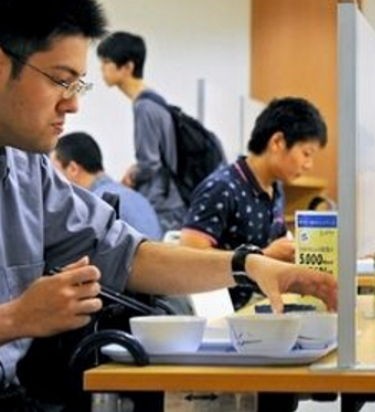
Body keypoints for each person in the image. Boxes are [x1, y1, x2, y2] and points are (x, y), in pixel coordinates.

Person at [0, 1, 336, 408]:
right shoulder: (216, 177)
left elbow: (129, 255)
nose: (73, 104)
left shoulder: (28, 168)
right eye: (60, 80)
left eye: (77, 85)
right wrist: (15, 318)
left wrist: (249, 265)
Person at [180, 97, 327, 309]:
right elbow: (188, 258)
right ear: (277, 142)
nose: (308, 165)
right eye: (306, 154)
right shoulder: (222, 188)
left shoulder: (276, 189)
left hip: (262, 303)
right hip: (228, 312)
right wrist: (263, 256)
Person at [96, 31, 187, 232]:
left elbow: (150, 164)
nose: (101, 68)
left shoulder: (144, 107)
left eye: (106, 62)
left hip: (163, 203)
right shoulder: (155, 100)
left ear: (128, 67)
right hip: (172, 199)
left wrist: (133, 175)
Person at [52, 131, 163, 240]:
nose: (52, 179)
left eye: (55, 171)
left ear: (73, 169)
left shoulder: (94, 207)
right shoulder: (137, 197)